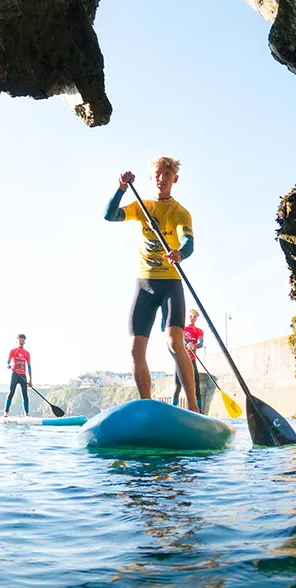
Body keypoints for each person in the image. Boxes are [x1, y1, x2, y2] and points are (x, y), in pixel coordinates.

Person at [104, 156, 200, 413]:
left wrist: (180, 253)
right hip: (144, 284)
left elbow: (188, 242)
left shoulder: (180, 212)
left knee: (174, 340)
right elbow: (109, 215)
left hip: (170, 283)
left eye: (167, 174)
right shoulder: (142, 207)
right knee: (135, 349)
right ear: (151, 178)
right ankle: (146, 407)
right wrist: (121, 189)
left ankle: (193, 406)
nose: (162, 178)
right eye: (158, 174)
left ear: (174, 179)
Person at [173, 308, 205, 409]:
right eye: (191, 316)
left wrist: (194, 345)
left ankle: (199, 412)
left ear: (196, 318)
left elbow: (200, 344)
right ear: (188, 316)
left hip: (192, 360)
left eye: (195, 317)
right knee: (177, 386)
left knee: (196, 387)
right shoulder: (182, 329)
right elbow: (176, 339)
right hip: (180, 360)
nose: (192, 318)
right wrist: (185, 344)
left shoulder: (199, 331)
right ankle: (173, 408)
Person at [5, 334, 33, 417]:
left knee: (25, 395)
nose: (21, 342)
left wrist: (31, 380)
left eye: (23, 341)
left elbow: (29, 367)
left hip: (23, 376)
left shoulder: (27, 353)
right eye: (20, 340)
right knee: (11, 393)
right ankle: (6, 412)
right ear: (17, 341)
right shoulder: (13, 351)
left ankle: (26, 414)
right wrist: (8, 365)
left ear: (24, 342)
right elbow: (8, 361)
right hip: (15, 375)